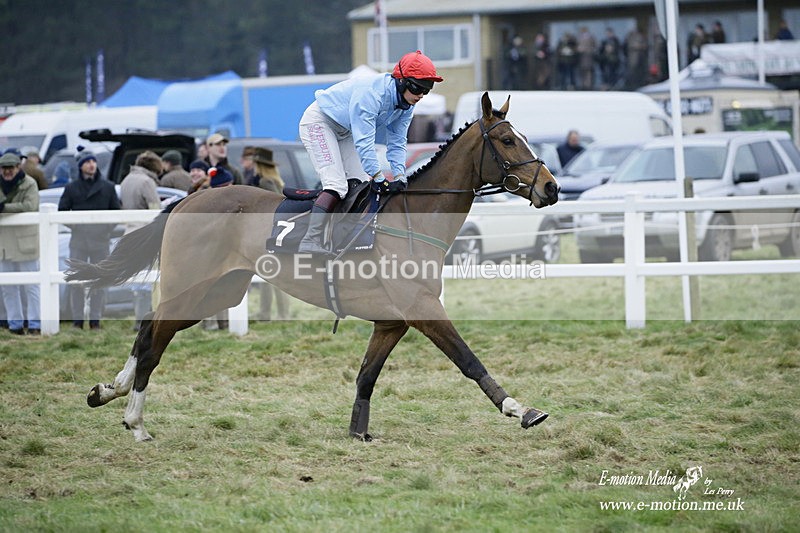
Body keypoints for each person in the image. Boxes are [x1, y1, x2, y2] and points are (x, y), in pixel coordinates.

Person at [296, 50, 443, 255]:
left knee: (358, 186)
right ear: (401, 81)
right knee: (336, 185)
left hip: (344, 130)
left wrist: (400, 175)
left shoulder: (406, 107)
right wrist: (378, 176)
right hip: (319, 123)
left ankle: (338, 238)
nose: (421, 95)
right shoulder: (372, 94)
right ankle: (310, 240)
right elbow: (365, 142)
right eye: (418, 88)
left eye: (427, 90)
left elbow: (398, 143)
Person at [58, 146, 121, 330]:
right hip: (79, 240)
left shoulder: (108, 187)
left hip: (100, 240)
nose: (91, 165)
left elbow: (116, 212)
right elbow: (62, 211)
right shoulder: (71, 188)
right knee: (76, 281)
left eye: (93, 161)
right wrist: (76, 226)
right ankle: (77, 320)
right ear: (80, 166)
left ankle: (95, 320)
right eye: (87, 162)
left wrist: (105, 229)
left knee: (99, 281)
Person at [120, 151, 163, 331]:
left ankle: (138, 318)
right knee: (149, 279)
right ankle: (146, 320)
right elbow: (155, 207)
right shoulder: (147, 182)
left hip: (129, 232)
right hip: (145, 234)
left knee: (137, 279)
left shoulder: (126, 180)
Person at [0, 151, 41, 335]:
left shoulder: (29, 183)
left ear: (18, 167)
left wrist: (4, 208)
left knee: (32, 285)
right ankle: (15, 324)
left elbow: (30, 206)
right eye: (4, 168)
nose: (7, 171)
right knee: (8, 286)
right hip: (4, 243)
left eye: (10, 168)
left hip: (25, 241)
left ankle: (35, 324)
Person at [248, 147, 290, 321]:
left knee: (270, 276)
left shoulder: (265, 182)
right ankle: (277, 313)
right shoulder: (277, 182)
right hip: (279, 231)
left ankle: (273, 313)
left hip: (269, 231)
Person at [623, 25, 649, 90]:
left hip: (641, 61)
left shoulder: (642, 38)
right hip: (632, 61)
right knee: (632, 74)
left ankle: (640, 86)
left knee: (640, 74)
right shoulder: (630, 37)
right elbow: (627, 47)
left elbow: (645, 46)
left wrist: (640, 47)